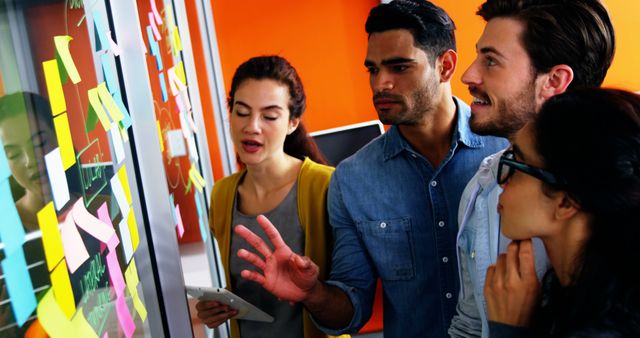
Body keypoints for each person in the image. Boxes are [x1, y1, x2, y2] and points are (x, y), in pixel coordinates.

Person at [232, 1, 507, 337]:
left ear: (446, 66)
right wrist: (313, 293)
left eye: (399, 68)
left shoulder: (507, 148)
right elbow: (351, 306)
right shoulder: (352, 180)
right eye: (373, 70)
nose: (381, 84)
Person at [449, 1, 616, 337]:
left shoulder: (619, 197)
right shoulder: (483, 188)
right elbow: (469, 325)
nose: (468, 75)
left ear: (554, 80)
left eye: (491, 61)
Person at [195, 55, 334, 338]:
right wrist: (217, 309)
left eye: (269, 116)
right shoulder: (222, 195)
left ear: (293, 122)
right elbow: (242, 291)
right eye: (242, 112)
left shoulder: (326, 186)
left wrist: (311, 291)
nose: (252, 126)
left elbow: (351, 298)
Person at [485, 87, 640, 337]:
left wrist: (508, 330)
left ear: (566, 202)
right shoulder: (575, 293)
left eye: (517, 163)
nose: (503, 183)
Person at [0, 92, 57, 338]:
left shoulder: (99, 207)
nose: (30, 161)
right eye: (13, 154)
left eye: (39, 144)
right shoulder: (5, 237)